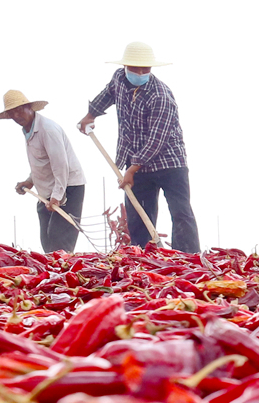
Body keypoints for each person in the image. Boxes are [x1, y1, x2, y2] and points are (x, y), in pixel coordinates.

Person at [77, 41, 200, 253]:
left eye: (146, 69)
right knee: (138, 216)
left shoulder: (160, 95)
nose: (141, 73)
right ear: (125, 66)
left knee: (181, 213)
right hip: (136, 161)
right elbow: (107, 94)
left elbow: (156, 140)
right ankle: (142, 257)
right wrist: (90, 115)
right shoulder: (119, 78)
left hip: (169, 162)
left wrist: (132, 170)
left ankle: (188, 258)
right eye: (136, 68)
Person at [0, 90, 86, 254]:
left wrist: (57, 196)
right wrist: (30, 181)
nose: (17, 116)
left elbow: (60, 165)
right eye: (12, 113)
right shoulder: (28, 130)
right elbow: (42, 162)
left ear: (29, 107)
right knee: (47, 243)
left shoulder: (48, 129)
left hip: (67, 187)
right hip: (47, 191)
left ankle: (64, 269)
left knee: (59, 245)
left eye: (20, 110)